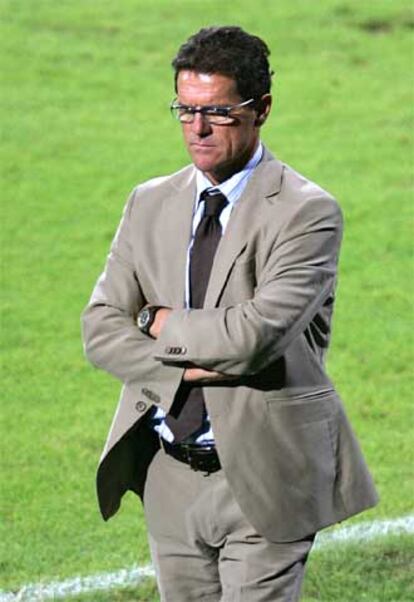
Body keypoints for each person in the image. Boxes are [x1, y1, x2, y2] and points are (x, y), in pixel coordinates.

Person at [82, 26, 378, 601]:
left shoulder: (306, 213)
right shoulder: (149, 202)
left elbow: (251, 338)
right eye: (185, 109)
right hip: (168, 473)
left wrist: (155, 321)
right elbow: (99, 329)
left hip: (265, 477)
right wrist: (187, 366)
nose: (197, 128)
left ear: (261, 109)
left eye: (217, 111)